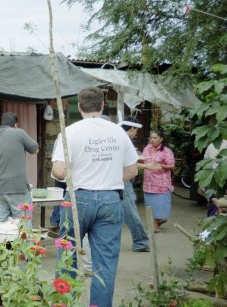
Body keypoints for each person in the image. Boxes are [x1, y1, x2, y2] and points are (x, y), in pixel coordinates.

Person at [51, 87, 138, 307]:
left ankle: (65, 303)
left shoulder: (69, 131)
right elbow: (132, 171)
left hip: (79, 198)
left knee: (67, 256)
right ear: (102, 106)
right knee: (105, 263)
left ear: (80, 106)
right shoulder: (118, 132)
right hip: (111, 199)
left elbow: (59, 172)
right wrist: (107, 177)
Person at [0, 112, 38, 223]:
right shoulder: (19, 133)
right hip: (17, 188)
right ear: (15, 124)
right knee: (23, 225)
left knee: (1, 226)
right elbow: (35, 149)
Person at [120, 117, 150, 252]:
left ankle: (140, 242)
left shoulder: (118, 137)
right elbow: (129, 165)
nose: (136, 133)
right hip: (123, 181)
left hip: (116, 180)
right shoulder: (124, 139)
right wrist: (147, 165)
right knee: (131, 213)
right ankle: (141, 242)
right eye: (136, 130)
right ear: (132, 128)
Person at [141, 129, 175, 233]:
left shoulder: (166, 151)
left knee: (159, 205)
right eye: (151, 138)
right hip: (148, 183)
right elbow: (143, 161)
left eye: (155, 138)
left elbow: (172, 166)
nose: (152, 140)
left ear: (161, 139)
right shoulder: (147, 149)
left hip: (161, 184)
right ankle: (156, 222)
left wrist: (160, 165)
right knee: (150, 205)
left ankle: (156, 223)